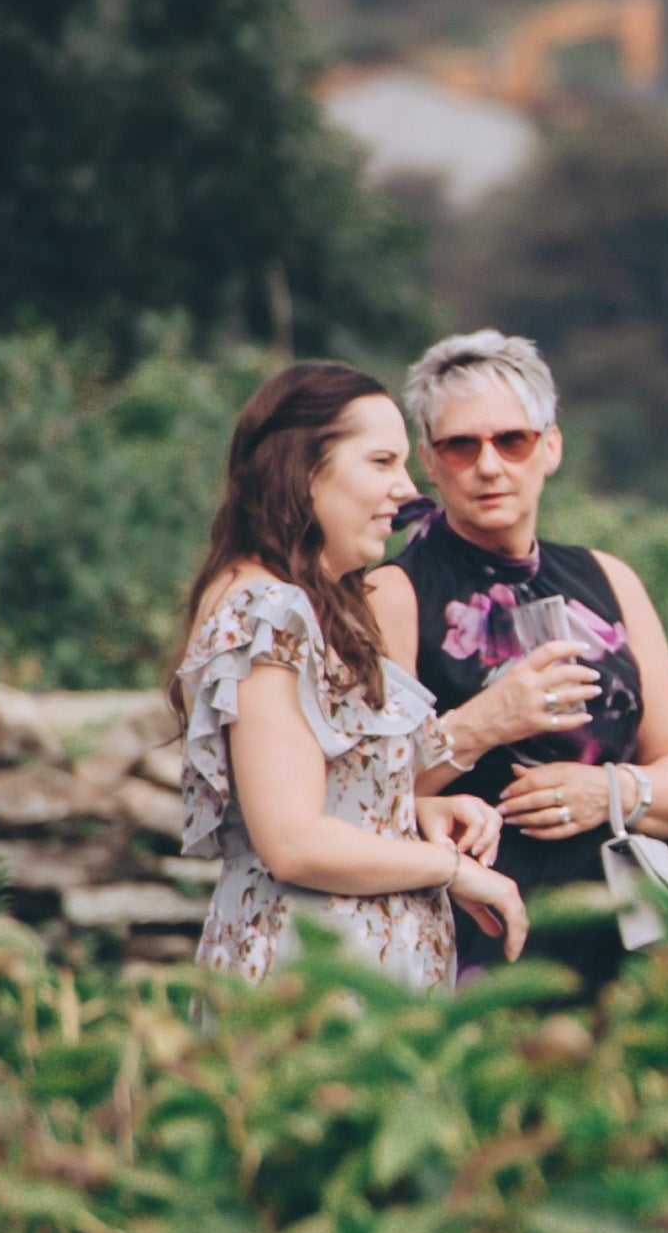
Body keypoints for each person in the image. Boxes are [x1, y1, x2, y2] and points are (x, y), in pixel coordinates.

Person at [372, 331, 668, 981]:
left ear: (550, 447)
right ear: (428, 460)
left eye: (512, 440)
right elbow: (356, 793)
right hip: (480, 933)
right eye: (460, 444)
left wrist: (611, 789)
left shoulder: (608, 579)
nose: (489, 465)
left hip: (622, 930)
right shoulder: (392, 594)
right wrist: (486, 723)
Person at [173, 361, 524, 989]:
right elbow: (292, 842)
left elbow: (330, 792)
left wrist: (409, 813)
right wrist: (449, 868)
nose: (407, 489)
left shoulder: (310, 602)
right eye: (383, 462)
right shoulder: (266, 611)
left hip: (358, 971)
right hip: (315, 978)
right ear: (305, 469)